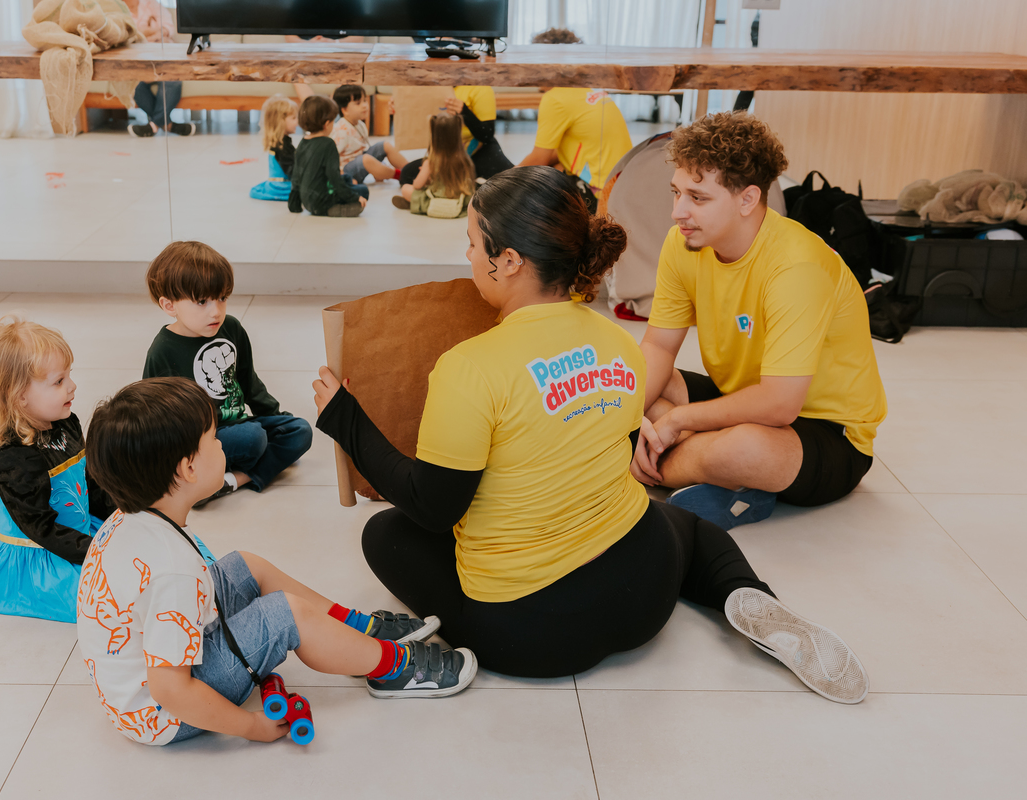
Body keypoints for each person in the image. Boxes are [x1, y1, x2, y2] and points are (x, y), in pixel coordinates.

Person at [313, 167, 869, 704]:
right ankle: (742, 596)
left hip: (533, 635)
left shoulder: (468, 366)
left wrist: (345, 417)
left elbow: (432, 507)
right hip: (645, 590)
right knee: (690, 529)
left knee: (385, 533)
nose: (467, 256)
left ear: (508, 261)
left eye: (472, 243)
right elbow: (614, 445)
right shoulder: (616, 340)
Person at [78, 377, 476, 746]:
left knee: (248, 565)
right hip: (163, 713)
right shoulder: (172, 570)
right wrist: (251, 726)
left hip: (151, 679)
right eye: (213, 439)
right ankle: (392, 668)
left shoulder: (130, 518)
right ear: (187, 469)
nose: (222, 446)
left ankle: (353, 631)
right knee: (284, 615)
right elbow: (171, 689)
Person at [631, 113, 887, 530]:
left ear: (748, 199)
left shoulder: (797, 266)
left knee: (743, 449)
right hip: (743, 396)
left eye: (698, 198)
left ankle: (636, 464)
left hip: (825, 433)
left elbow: (780, 404)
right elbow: (658, 347)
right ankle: (713, 477)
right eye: (676, 192)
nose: (679, 212)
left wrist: (673, 422)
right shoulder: (684, 244)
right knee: (635, 384)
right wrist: (630, 413)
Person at [0, 316, 213, 622]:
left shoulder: (67, 424)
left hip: (82, 530)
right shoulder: (14, 459)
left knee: (164, 542)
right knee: (118, 596)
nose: (72, 386)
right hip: (48, 553)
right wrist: (100, 551)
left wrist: (130, 516)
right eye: (59, 381)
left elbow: (92, 484)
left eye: (69, 376)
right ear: (18, 395)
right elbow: (41, 529)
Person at [142, 242, 314, 506]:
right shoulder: (163, 350)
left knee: (300, 431)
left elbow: (248, 380)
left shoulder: (231, 328)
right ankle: (202, 478)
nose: (216, 311)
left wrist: (275, 418)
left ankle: (233, 480)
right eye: (202, 302)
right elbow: (152, 417)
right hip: (198, 440)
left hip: (238, 425)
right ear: (169, 306)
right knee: (253, 438)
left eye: (222, 298)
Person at [518, 29, 633, 207]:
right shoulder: (588, 87)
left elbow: (539, 159)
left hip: (601, 195)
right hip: (623, 183)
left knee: (530, 187)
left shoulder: (555, 98)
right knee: (554, 168)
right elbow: (557, 151)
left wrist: (503, 179)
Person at [399, 86, 513, 188]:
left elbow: (486, 134)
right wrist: (400, 108)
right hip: (447, 153)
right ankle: (467, 186)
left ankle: (461, 187)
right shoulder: (433, 87)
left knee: (509, 179)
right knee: (406, 175)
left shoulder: (480, 88)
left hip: (478, 149)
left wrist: (465, 112)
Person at [124, 0, 194, 138]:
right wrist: (154, 32)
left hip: (163, 56)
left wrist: (143, 34)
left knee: (173, 82)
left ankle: (153, 126)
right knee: (135, 86)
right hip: (139, 61)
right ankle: (168, 125)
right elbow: (127, 36)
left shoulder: (152, 5)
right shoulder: (119, 10)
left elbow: (168, 30)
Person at [288, 96, 367, 217]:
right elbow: (334, 177)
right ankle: (332, 210)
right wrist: (354, 198)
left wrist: (294, 202)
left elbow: (296, 175)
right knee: (363, 191)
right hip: (323, 202)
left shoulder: (302, 142)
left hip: (307, 201)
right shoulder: (328, 144)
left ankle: (325, 207)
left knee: (346, 178)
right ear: (326, 124)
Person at [392, 113, 475, 218]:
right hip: (460, 202)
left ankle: (417, 205)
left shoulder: (431, 162)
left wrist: (426, 175)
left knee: (405, 188)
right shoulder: (465, 160)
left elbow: (417, 185)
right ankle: (418, 204)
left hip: (435, 201)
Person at [331, 85, 408, 190]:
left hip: (361, 162)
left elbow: (366, 149)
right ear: (344, 110)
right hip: (346, 172)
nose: (364, 105)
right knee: (366, 159)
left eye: (364, 101)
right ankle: (402, 175)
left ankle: (410, 168)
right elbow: (331, 156)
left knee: (384, 145)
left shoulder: (360, 124)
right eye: (358, 103)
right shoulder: (340, 131)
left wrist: (379, 167)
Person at [250, 95, 298, 202]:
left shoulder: (279, 142)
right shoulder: (281, 146)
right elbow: (292, 171)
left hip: (276, 183)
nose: (297, 122)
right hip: (282, 186)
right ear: (280, 121)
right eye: (294, 118)